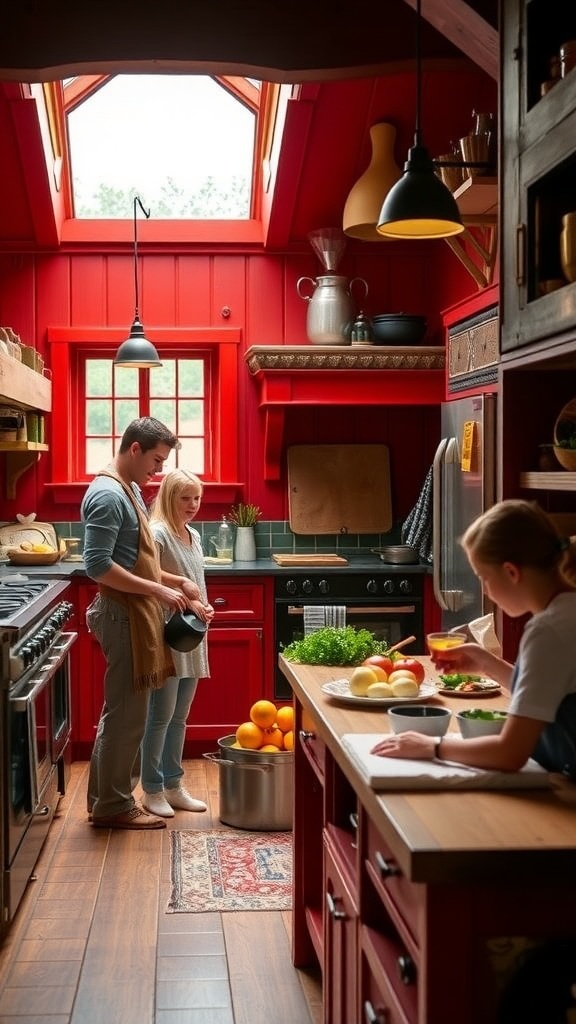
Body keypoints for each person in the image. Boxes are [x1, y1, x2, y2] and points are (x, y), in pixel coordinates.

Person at [371, 499, 576, 776]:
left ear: (511, 572)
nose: (485, 591)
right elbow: (547, 690)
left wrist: (431, 746)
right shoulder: (566, 612)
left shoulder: (547, 630)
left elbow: (510, 753)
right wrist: (484, 662)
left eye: (484, 577)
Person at [82, 417, 201, 830]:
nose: (158, 469)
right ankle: (113, 806)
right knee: (125, 716)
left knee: (124, 714)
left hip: (133, 613)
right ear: (134, 449)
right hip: (120, 615)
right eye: (155, 459)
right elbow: (97, 566)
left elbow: (138, 562)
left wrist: (172, 580)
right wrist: (158, 592)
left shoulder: (129, 489)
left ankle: (106, 801)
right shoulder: (108, 495)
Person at [141, 469, 214, 817]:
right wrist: (182, 582)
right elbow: (144, 572)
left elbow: (196, 582)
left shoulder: (193, 534)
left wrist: (203, 605)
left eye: (196, 498)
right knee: (161, 715)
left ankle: (173, 785)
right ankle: (152, 789)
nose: (192, 505)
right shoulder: (158, 533)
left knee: (180, 716)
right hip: (166, 634)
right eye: (185, 498)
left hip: (190, 633)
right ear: (169, 497)